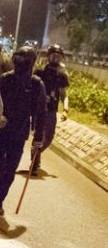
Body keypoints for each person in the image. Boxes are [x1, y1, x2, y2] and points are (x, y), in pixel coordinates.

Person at [0, 46, 47, 220]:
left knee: (10, 171)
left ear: (31, 62)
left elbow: (41, 112)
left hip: (19, 134)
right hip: (1, 132)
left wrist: (39, 138)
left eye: (23, 60)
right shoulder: (5, 79)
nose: (18, 63)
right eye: (16, 58)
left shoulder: (36, 85)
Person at [31, 44, 70, 175]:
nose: (55, 59)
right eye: (53, 56)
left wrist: (65, 109)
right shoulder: (40, 72)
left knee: (49, 137)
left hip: (52, 111)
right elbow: (32, 90)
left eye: (58, 57)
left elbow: (64, 94)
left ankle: (36, 152)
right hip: (39, 110)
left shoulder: (62, 76)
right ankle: (35, 163)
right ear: (48, 57)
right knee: (39, 135)